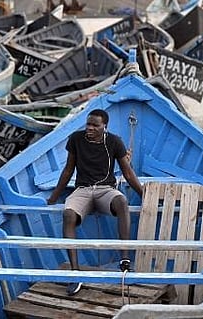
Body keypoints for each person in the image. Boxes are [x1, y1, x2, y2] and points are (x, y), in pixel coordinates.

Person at [47, 108, 143, 296]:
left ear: (104, 127)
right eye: (88, 124)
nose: (89, 128)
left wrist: (143, 194)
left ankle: (124, 259)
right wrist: (53, 197)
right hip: (82, 190)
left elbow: (128, 172)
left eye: (95, 125)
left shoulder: (114, 142)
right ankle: (75, 273)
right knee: (68, 214)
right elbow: (68, 170)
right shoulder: (76, 139)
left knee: (122, 202)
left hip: (105, 190)